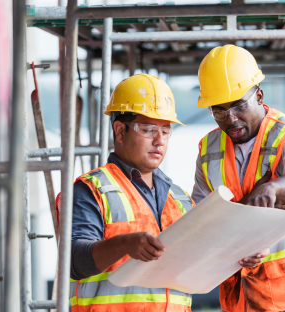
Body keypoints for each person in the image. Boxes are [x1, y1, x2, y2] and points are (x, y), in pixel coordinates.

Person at [191, 45, 285, 312]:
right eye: (219, 110)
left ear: (259, 95)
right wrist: (231, 247)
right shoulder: (208, 150)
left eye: (239, 106)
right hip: (245, 299)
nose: (231, 118)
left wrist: (274, 188)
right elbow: (202, 218)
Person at [56, 74, 197, 311]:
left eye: (165, 130)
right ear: (120, 132)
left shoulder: (180, 198)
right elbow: (74, 261)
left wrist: (235, 256)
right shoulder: (92, 190)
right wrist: (124, 244)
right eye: (148, 129)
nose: (159, 141)